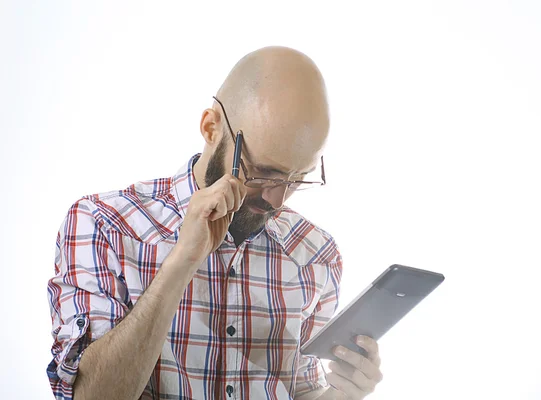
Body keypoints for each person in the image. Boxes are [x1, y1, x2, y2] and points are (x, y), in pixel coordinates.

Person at [47, 46, 384, 400]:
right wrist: (182, 262)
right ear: (211, 128)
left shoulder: (316, 254)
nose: (276, 201)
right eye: (263, 173)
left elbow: (298, 391)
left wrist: (341, 394)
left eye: (297, 179)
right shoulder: (105, 225)